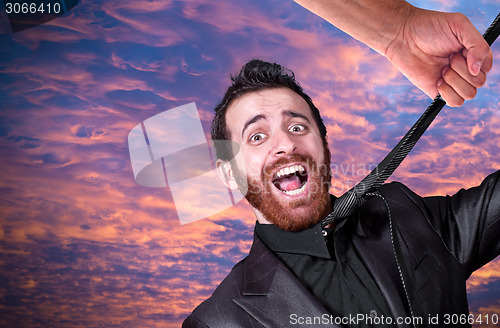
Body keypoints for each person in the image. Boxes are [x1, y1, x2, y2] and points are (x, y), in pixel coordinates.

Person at [182, 2, 497, 327]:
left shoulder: (407, 216)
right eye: (257, 137)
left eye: (297, 127)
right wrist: (398, 27)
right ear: (228, 174)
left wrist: (402, 27)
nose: (286, 144)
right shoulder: (216, 320)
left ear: (324, 145)